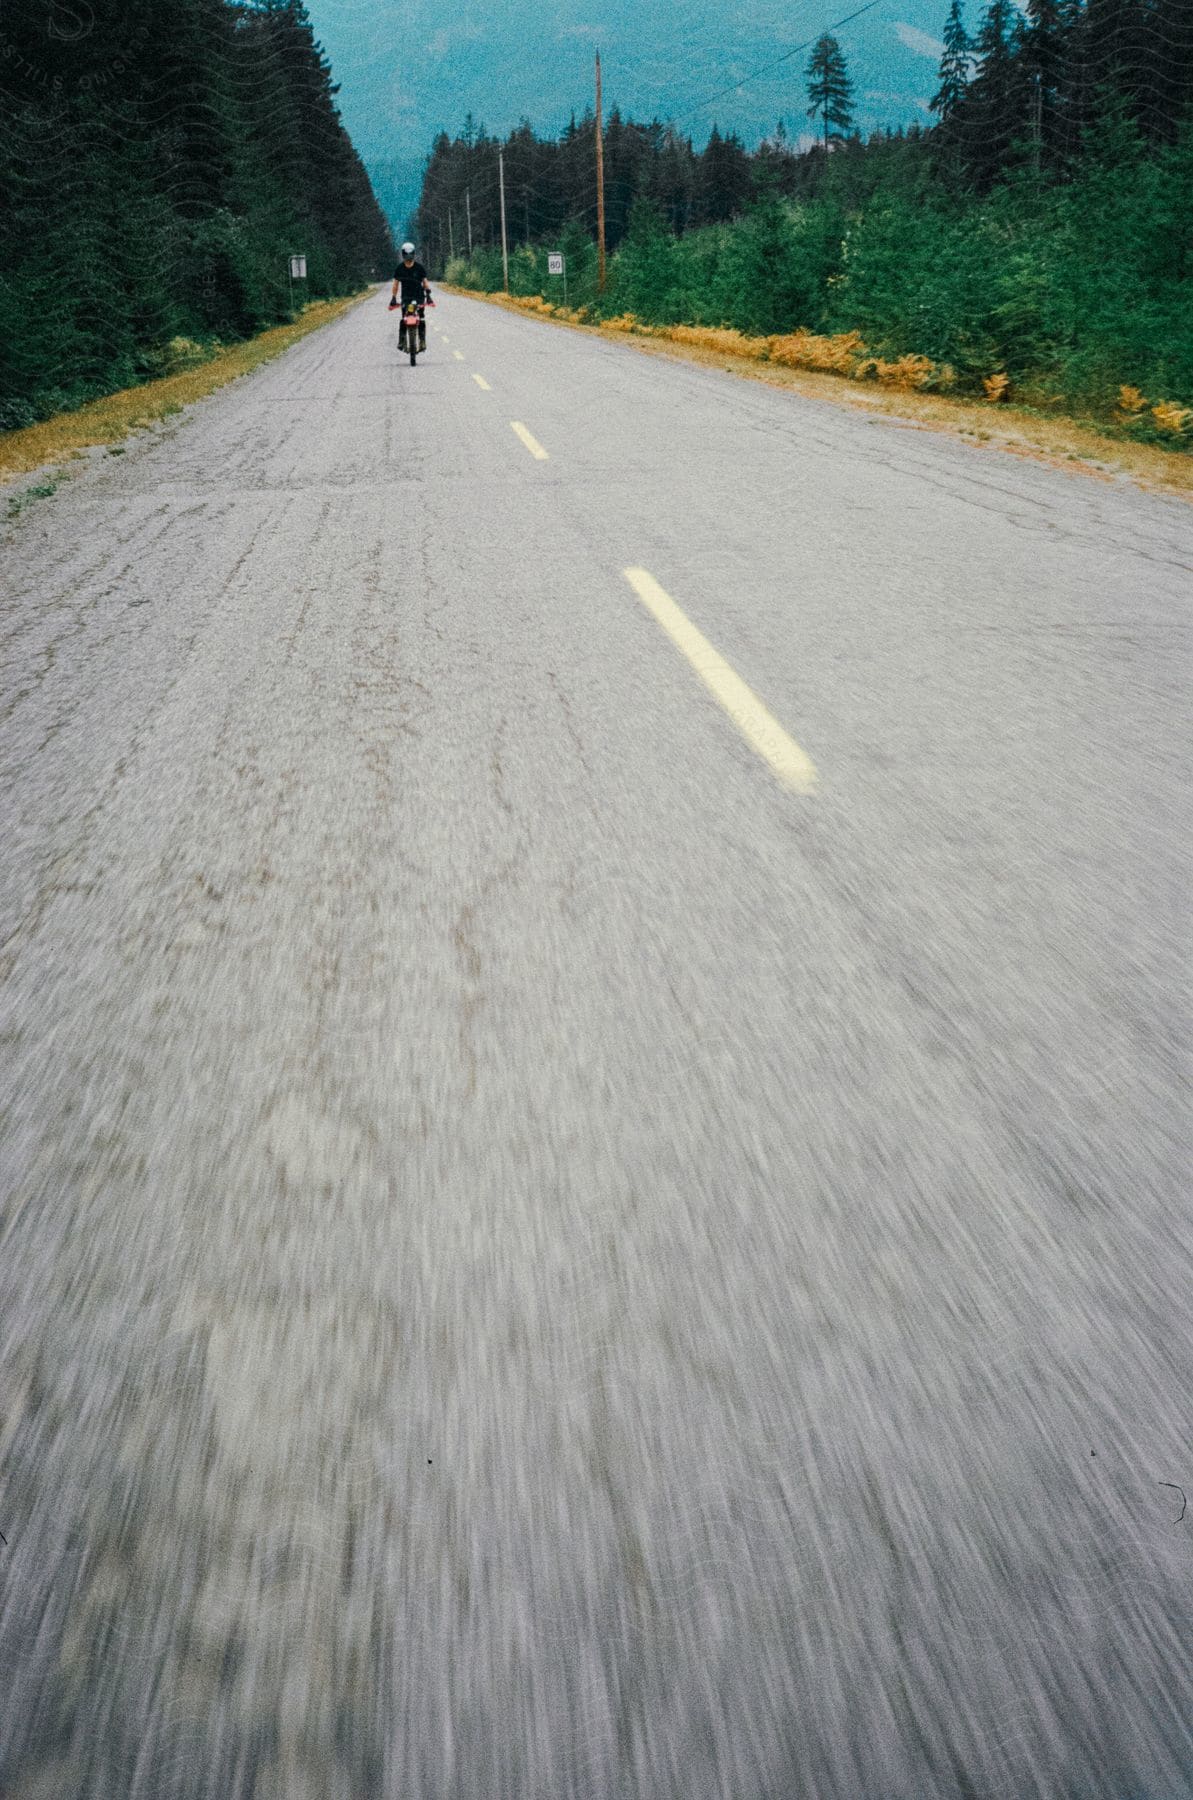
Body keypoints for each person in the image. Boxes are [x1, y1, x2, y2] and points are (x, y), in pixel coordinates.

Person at [390, 243, 430, 350]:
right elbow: (395, 285)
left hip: (419, 296)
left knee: (421, 317)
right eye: (406, 254)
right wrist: (393, 297)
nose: (408, 256)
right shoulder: (399, 269)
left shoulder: (419, 268)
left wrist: (428, 294)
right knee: (404, 318)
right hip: (406, 297)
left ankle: (422, 341)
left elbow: (425, 282)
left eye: (410, 253)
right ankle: (402, 340)